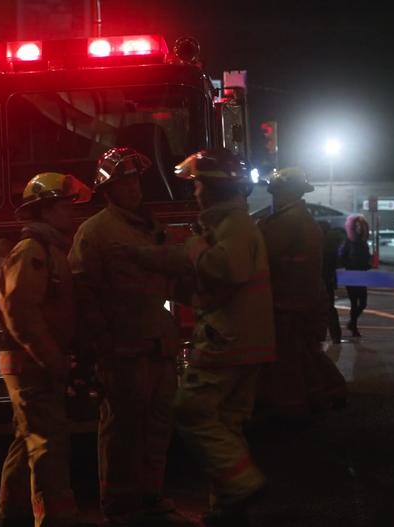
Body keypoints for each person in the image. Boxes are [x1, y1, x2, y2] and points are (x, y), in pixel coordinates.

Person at [142, 149, 275, 526]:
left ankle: (245, 484)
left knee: (190, 410)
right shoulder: (230, 224)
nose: (195, 191)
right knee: (227, 423)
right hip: (247, 339)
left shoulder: (233, 225)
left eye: (199, 183)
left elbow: (225, 269)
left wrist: (193, 248)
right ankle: (228, 505)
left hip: (227, 340)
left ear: (215, 187)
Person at [68, 148, 193, 527]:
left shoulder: (148, 226)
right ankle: (120, 504)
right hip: (121, 349)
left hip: (158, 344)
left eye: (137, 180)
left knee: (158, 426)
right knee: (122, 430)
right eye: (125, 182)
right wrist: (96, 344)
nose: (134, 188)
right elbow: (81, 289)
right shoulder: (95, 232)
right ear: (108, 189)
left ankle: (150, 494)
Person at [0, 172, 94, 527]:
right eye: (66, 205)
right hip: (30, 361)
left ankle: (13, 513)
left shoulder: (51, 248)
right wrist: (51, 357)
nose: (72, 212)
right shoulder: (32, 250)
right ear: (47, 209)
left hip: (34, 358)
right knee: (48, 443)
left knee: (28, 438)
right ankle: (54, 520)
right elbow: (19, 309)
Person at [256, 167, 344, 419]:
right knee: (305, 354)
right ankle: (329, 393)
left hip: (289, 301)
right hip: (303, 299)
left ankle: (294, 410)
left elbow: (262, 250)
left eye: (277, 191)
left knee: (290, 360)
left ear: (287, 191)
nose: (274, 196)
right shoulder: (300, 218)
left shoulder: (287, 221)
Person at [340, 215, 371, 338]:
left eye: (361, 226)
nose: (359, 228)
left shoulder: (362, 242)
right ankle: (354, 327)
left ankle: (352, 324)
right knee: (354, 303)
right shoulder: (349, 242)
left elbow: (365, 258)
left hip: (361, 274)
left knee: (362, 303)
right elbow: (342, 257)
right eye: (357, 226)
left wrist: (367, 264)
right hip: (352, 274)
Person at [320, 221, 343, 344]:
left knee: (321, 310)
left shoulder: (321, 247)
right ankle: (336, 335)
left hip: (320, 281)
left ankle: (322, 335)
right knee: (330, 309)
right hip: (328, 281)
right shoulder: (332, 246)